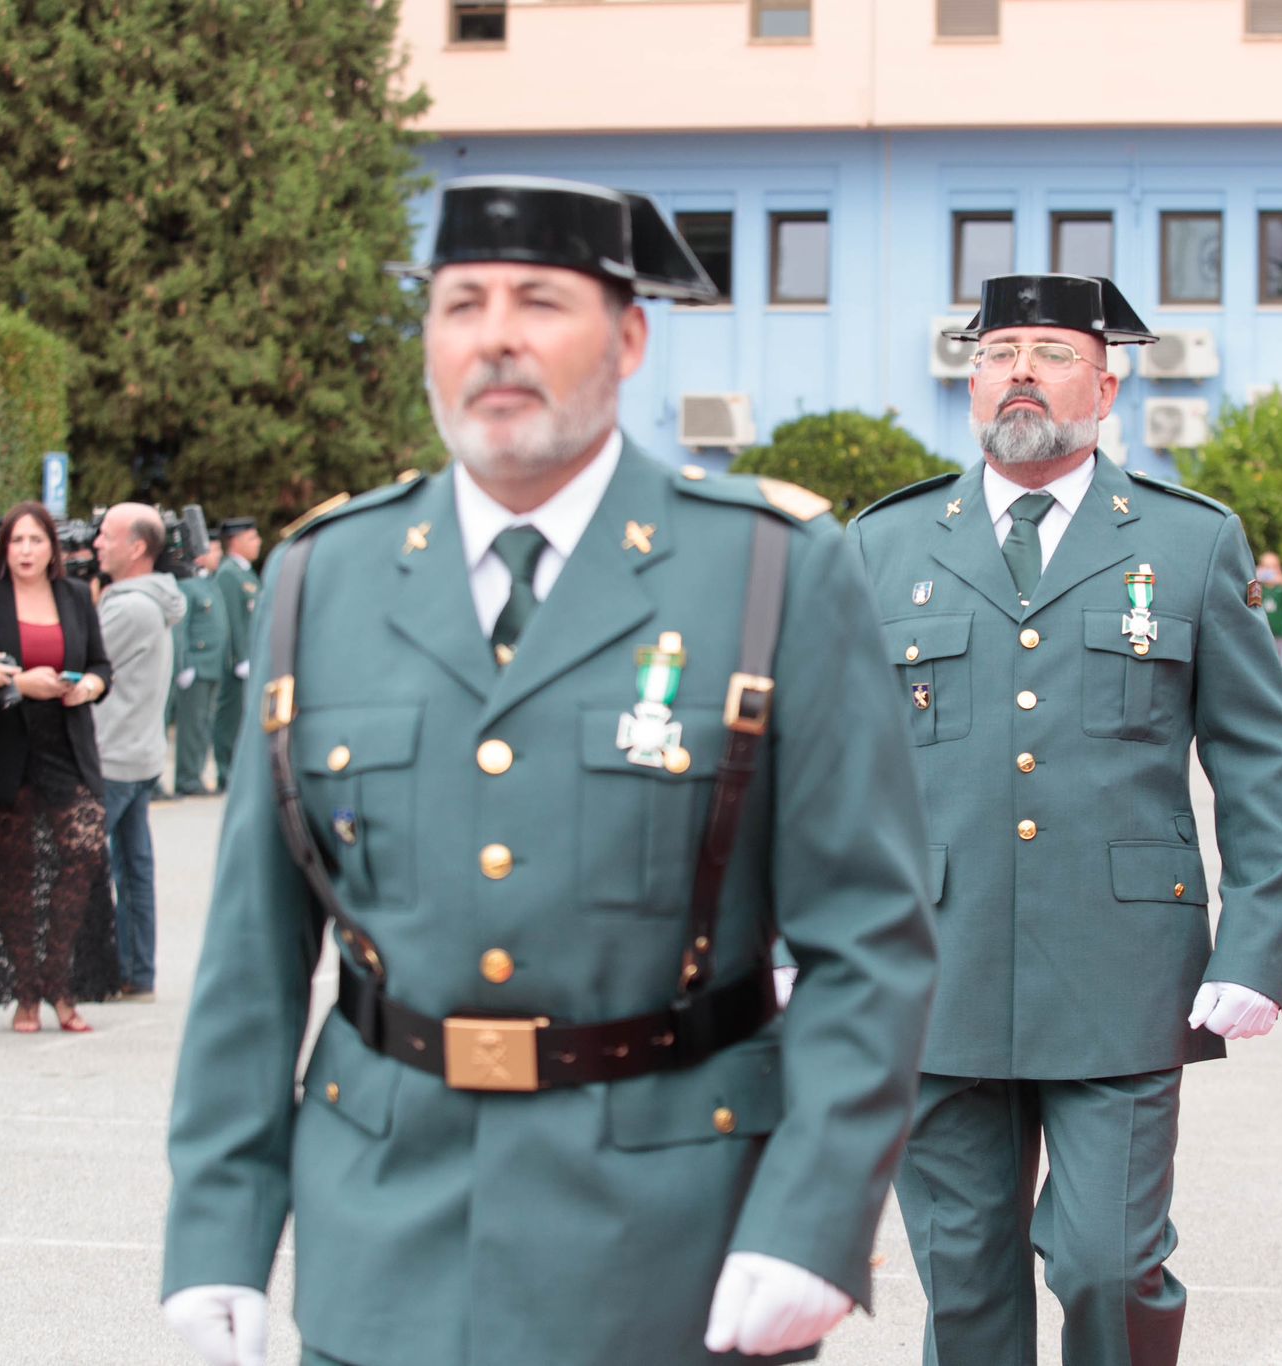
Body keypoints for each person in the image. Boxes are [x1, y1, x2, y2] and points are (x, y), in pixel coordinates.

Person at [161, 176, 937, 1366]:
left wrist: (814, 1223)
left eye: (539, 300)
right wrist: (215, 1231)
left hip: (674, 1250)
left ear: (628, 337)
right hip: (383, 1245)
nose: (496, 337)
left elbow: (869, 941)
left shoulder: (772, 570)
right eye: (460, 303)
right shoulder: (324, 580)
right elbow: (251, 962)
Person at [851, 273, 1282, 1366]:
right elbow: (827, 771)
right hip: (939, 964)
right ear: (969, 385)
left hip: (1123, 968)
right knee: (963, 1280)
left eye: (1049, 351)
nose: (1017, 369)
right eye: (995, 349)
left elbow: (1261, 764)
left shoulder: (1188, 543)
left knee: (1109, 1262)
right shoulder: (886, 544)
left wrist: (1255, 947)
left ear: (1105, 384)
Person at [0, 501, 116, 1033]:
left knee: (85, 851)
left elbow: (99, 663)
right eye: (16, 540)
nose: (25, 550)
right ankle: (27, 995)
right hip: (10, 746)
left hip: (68, 745)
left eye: (35, 540)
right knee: (17, 873)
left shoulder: (74, 596)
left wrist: (89, 687)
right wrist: (18, 683)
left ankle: (58, 981)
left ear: (53, 548)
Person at [92, 503, 187, 1002]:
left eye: (106, 536)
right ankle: (136, 971)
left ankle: (87, 974)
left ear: (137, 548)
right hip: (138, 751)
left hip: (112, 754)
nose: (95, 544)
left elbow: (83, 658)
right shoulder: (152, 599)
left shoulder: (128, 607)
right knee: (134, 866)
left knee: (82, 869)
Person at [167, 541, 228, 797]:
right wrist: (184, 664)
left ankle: (196, 774)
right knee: (192, 726)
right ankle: (188, 778)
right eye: (212, 550)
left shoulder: (210, 584)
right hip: (197, 666)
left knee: (204, 725)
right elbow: (181, 628)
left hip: (213, 664)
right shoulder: (187, 586)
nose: (219, 555)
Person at [207, 519, 260, 792]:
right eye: (252, 538)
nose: (258, 542)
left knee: (243, 717)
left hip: (251, 657)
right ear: (236, 542)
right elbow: (232, 620)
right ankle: (226, 771)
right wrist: (240, 658)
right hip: (236, 662)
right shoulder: (229, 574)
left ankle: (237, 771)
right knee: (230, 718)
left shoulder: (246, 574)